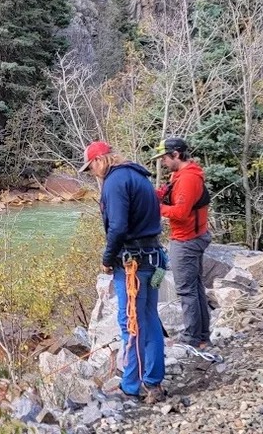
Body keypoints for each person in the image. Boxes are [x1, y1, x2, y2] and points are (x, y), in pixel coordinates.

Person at [79, 140, 166, 404]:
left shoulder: (115, 182)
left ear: (99, 161)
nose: (92, 173)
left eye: (90, 168)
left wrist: (107, 259)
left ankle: (130, 385)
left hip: (133, 264)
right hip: (153, 258)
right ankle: (153, 381)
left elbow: (117, 227)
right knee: (150, 319)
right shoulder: (139, 176)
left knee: (131, 323)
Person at [152, 137, 211, 350]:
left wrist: (155, 207)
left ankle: (191, 339)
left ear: (176, 155)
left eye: (165, 158)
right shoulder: (181, 175)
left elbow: (180, 213)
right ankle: (202, 336)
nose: (163, 163)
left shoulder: (187, 179)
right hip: (192, 237)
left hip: (186, 240)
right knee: (195, 287)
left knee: (186, 290)